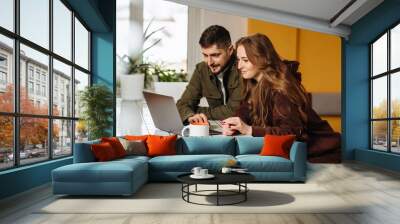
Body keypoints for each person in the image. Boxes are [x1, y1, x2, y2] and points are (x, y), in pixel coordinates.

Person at [222, 33, 341, 163]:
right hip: (295, 154)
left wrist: (249, 129)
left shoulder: (281, 89)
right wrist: (234, 124)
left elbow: (291, 131)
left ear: (262, 59)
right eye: (238, 60)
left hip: (321, 153)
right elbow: (245, 110)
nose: (239, 66)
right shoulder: (254, 84)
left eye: (245, 60)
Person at [176, 25, 244, 124]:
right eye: (205, 55)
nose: (209, 62)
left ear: (229, 50)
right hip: (217, 130)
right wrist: (191, 116)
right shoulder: (201, 69)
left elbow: (234, 111)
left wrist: (197, 112)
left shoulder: (243, 67)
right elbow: (182, 104)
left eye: (215, 55)